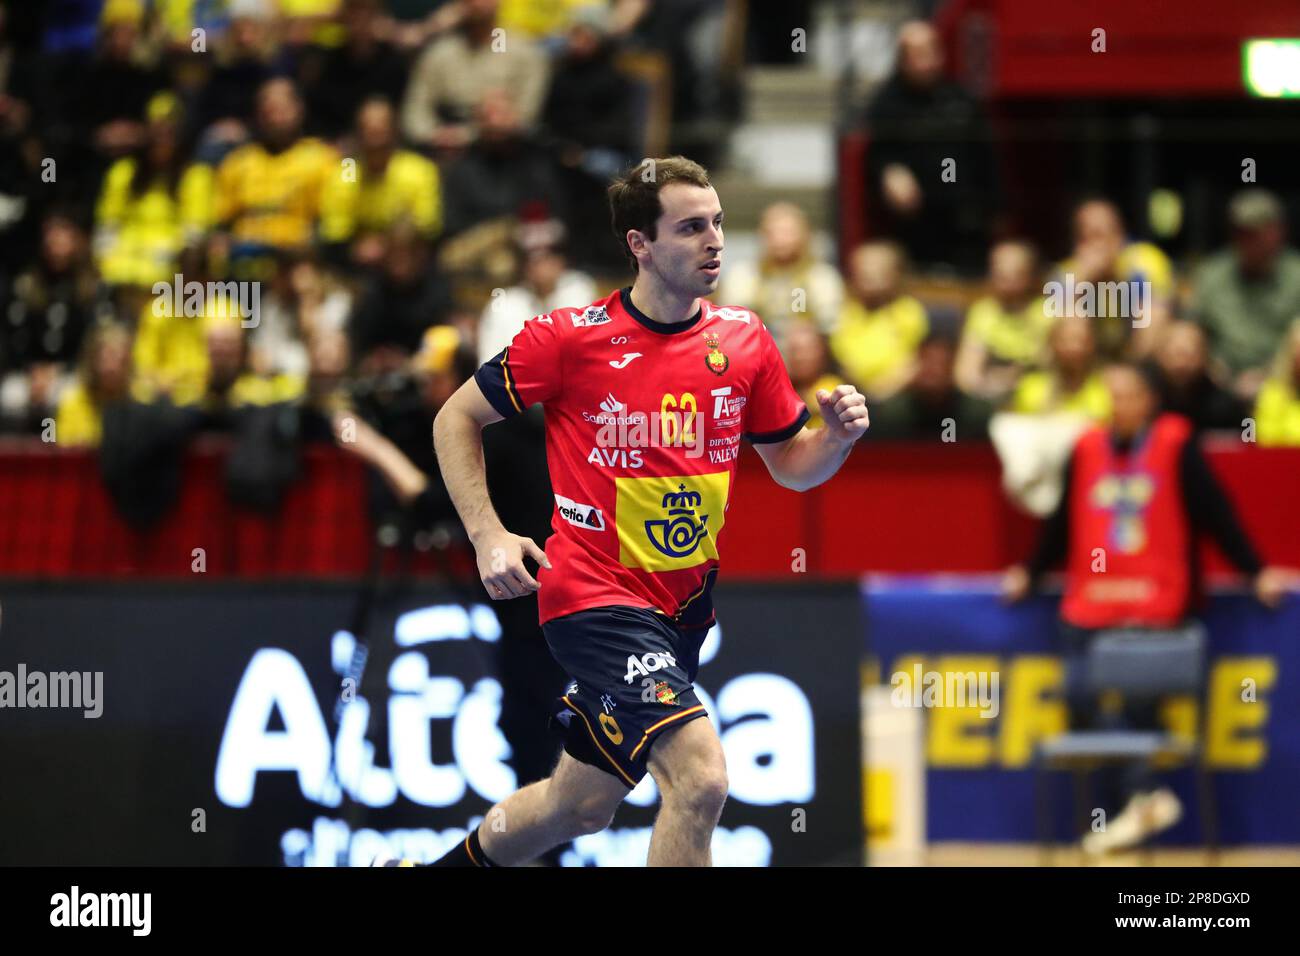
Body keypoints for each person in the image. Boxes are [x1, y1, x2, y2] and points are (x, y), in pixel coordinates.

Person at [377, 155, 870, 868]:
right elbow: (455, 418)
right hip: (592, 600)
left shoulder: (745, 341)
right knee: (700, 780)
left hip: (682, 609)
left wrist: (837, 440)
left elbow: (793, 467)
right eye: (692, 227)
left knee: (577, 805)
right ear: (640, 243)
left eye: (720, 223)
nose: (715, 241)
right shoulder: (570, 338)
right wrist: (488, 534)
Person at [1003, 362, 1291, 853]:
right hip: (1089, 605)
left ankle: (1137, 804)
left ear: (1150, 399)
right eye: (1110, 394)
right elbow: (1062, 523)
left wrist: (1254, 569)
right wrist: (1030, 571)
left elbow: (1216, 514)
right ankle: (1144, 797)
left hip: (1157, 607)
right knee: (1078, 697)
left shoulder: (1177, 445)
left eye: (1129, 394)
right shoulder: (1086, 448)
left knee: (1139, 710)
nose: (1119, 404)